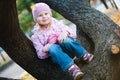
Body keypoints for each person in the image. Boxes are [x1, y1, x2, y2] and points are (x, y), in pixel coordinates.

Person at [31, 2, 94, 80]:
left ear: (50, 14)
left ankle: (84, 55)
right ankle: (72, 69)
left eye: (46, 13)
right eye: (40, 15)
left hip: (68, 50)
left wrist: (65, 33)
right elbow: (40, 54)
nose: (44, 17)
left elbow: (73, 34)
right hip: (58, 57)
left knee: (66, 40)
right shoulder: (36, 35)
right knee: (53, 48)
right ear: (36, 19)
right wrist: (45, 49)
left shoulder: (56, 23)